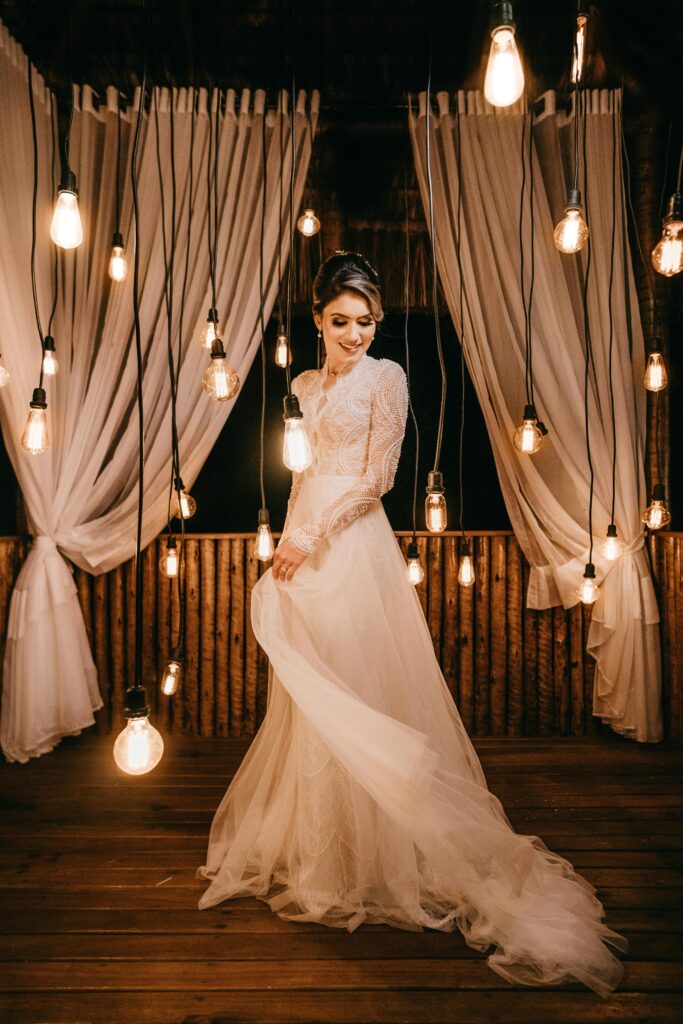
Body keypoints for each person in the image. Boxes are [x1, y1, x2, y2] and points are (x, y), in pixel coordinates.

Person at [197, 251, 628, 996]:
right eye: (340, 322)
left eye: (365, 322)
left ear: (377, 323)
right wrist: (291, 531)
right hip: (303, 531)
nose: (354, 335)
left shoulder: (386, 378)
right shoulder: (301, 383)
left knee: (358, 686)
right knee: (308, 695)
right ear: (317, 321)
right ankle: (321, 853)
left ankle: (383, 854)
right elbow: (303, 465)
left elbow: (379, 478)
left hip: (348, 542)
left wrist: (313, 534)